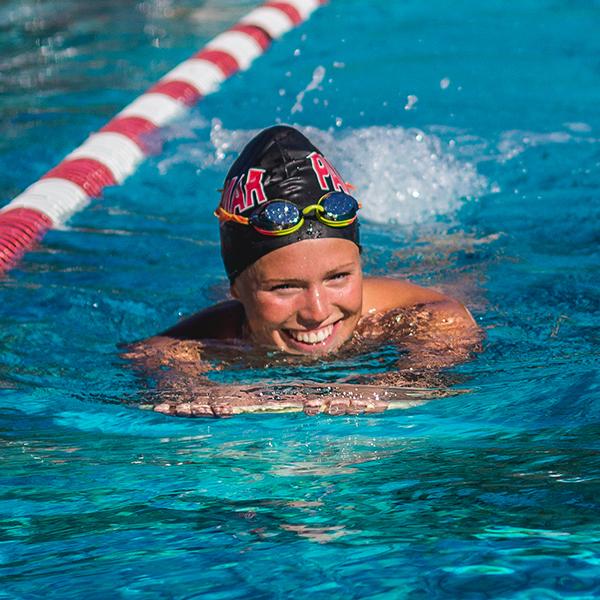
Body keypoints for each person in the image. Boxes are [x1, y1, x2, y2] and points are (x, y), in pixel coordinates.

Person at [125, 125, 481, 417]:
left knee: (446, 262)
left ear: (361, 263)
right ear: (237, 289)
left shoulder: (399, 318)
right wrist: (190, 388)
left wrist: (397, 381)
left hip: (439, 277)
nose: (317, 312)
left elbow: (451, 321)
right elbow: (151, 353)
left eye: (339, 277)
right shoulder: (221, 334)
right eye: (285, 288)